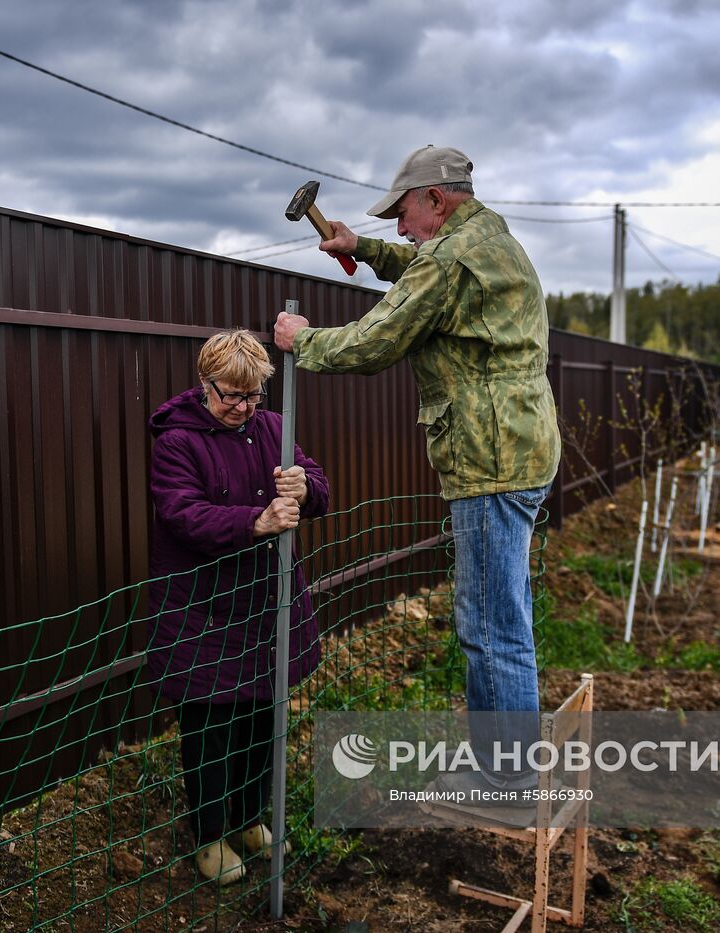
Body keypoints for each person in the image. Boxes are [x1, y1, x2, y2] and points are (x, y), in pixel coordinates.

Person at [274, 145, 560, 792]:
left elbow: (379, 339)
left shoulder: (453, 256)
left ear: (437, 198)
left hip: (489, 459)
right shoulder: (484, 237)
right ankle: (506, 768)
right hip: (518, 449)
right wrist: (365, 248)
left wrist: (305, 341)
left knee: (489, 624)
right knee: (500, 617)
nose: (398, 228)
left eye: (402, 213)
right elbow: (424, 269)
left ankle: (508, 778)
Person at [145, 329, 329, 884]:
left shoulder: (273, 429)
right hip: (202, 609)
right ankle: (209, 838)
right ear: (205, 385)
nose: (242, 408)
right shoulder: (176, 441)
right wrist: (255, 522)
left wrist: (304, 487)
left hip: (265, 605)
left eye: (252, 397)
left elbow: (318, 486)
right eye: (230, 395)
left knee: (262, 719)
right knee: (210, 729)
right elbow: (182, 514)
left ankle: (249, 818)